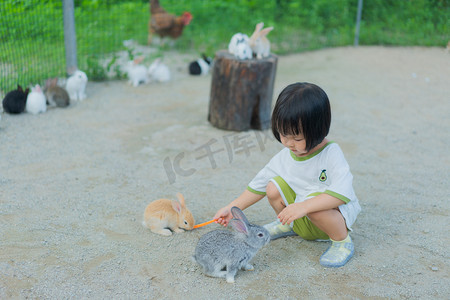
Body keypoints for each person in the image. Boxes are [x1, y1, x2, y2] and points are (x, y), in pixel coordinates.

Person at [214, 82, 361, 268]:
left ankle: (342, 242)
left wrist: (305, 206)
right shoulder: (285, 156)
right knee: (272, 187)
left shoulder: (331, 153)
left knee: (316, 204)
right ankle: (287, 225)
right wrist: (232, 207)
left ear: (319, 129)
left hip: (330, 223)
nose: (289, 143)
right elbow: (258, 185)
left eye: (297, 138)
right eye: (284, 135)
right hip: (299, 216)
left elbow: (343, 192)